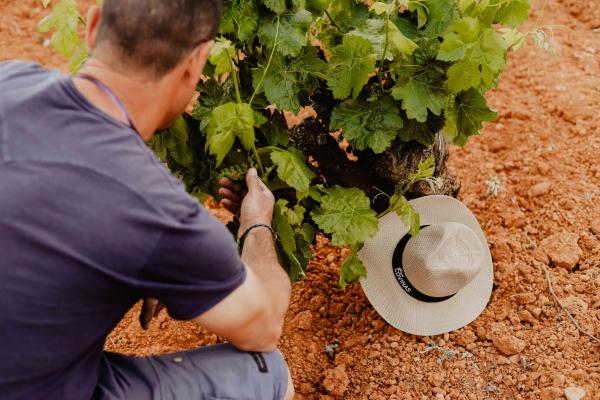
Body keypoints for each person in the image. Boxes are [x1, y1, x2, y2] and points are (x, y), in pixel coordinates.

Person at [0, 1, 294, 399]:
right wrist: (256, 224)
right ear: (196, 62)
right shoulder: (156, 210)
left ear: (93, 25)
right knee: (268, 374)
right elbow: (265, 326)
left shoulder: (8, 78)